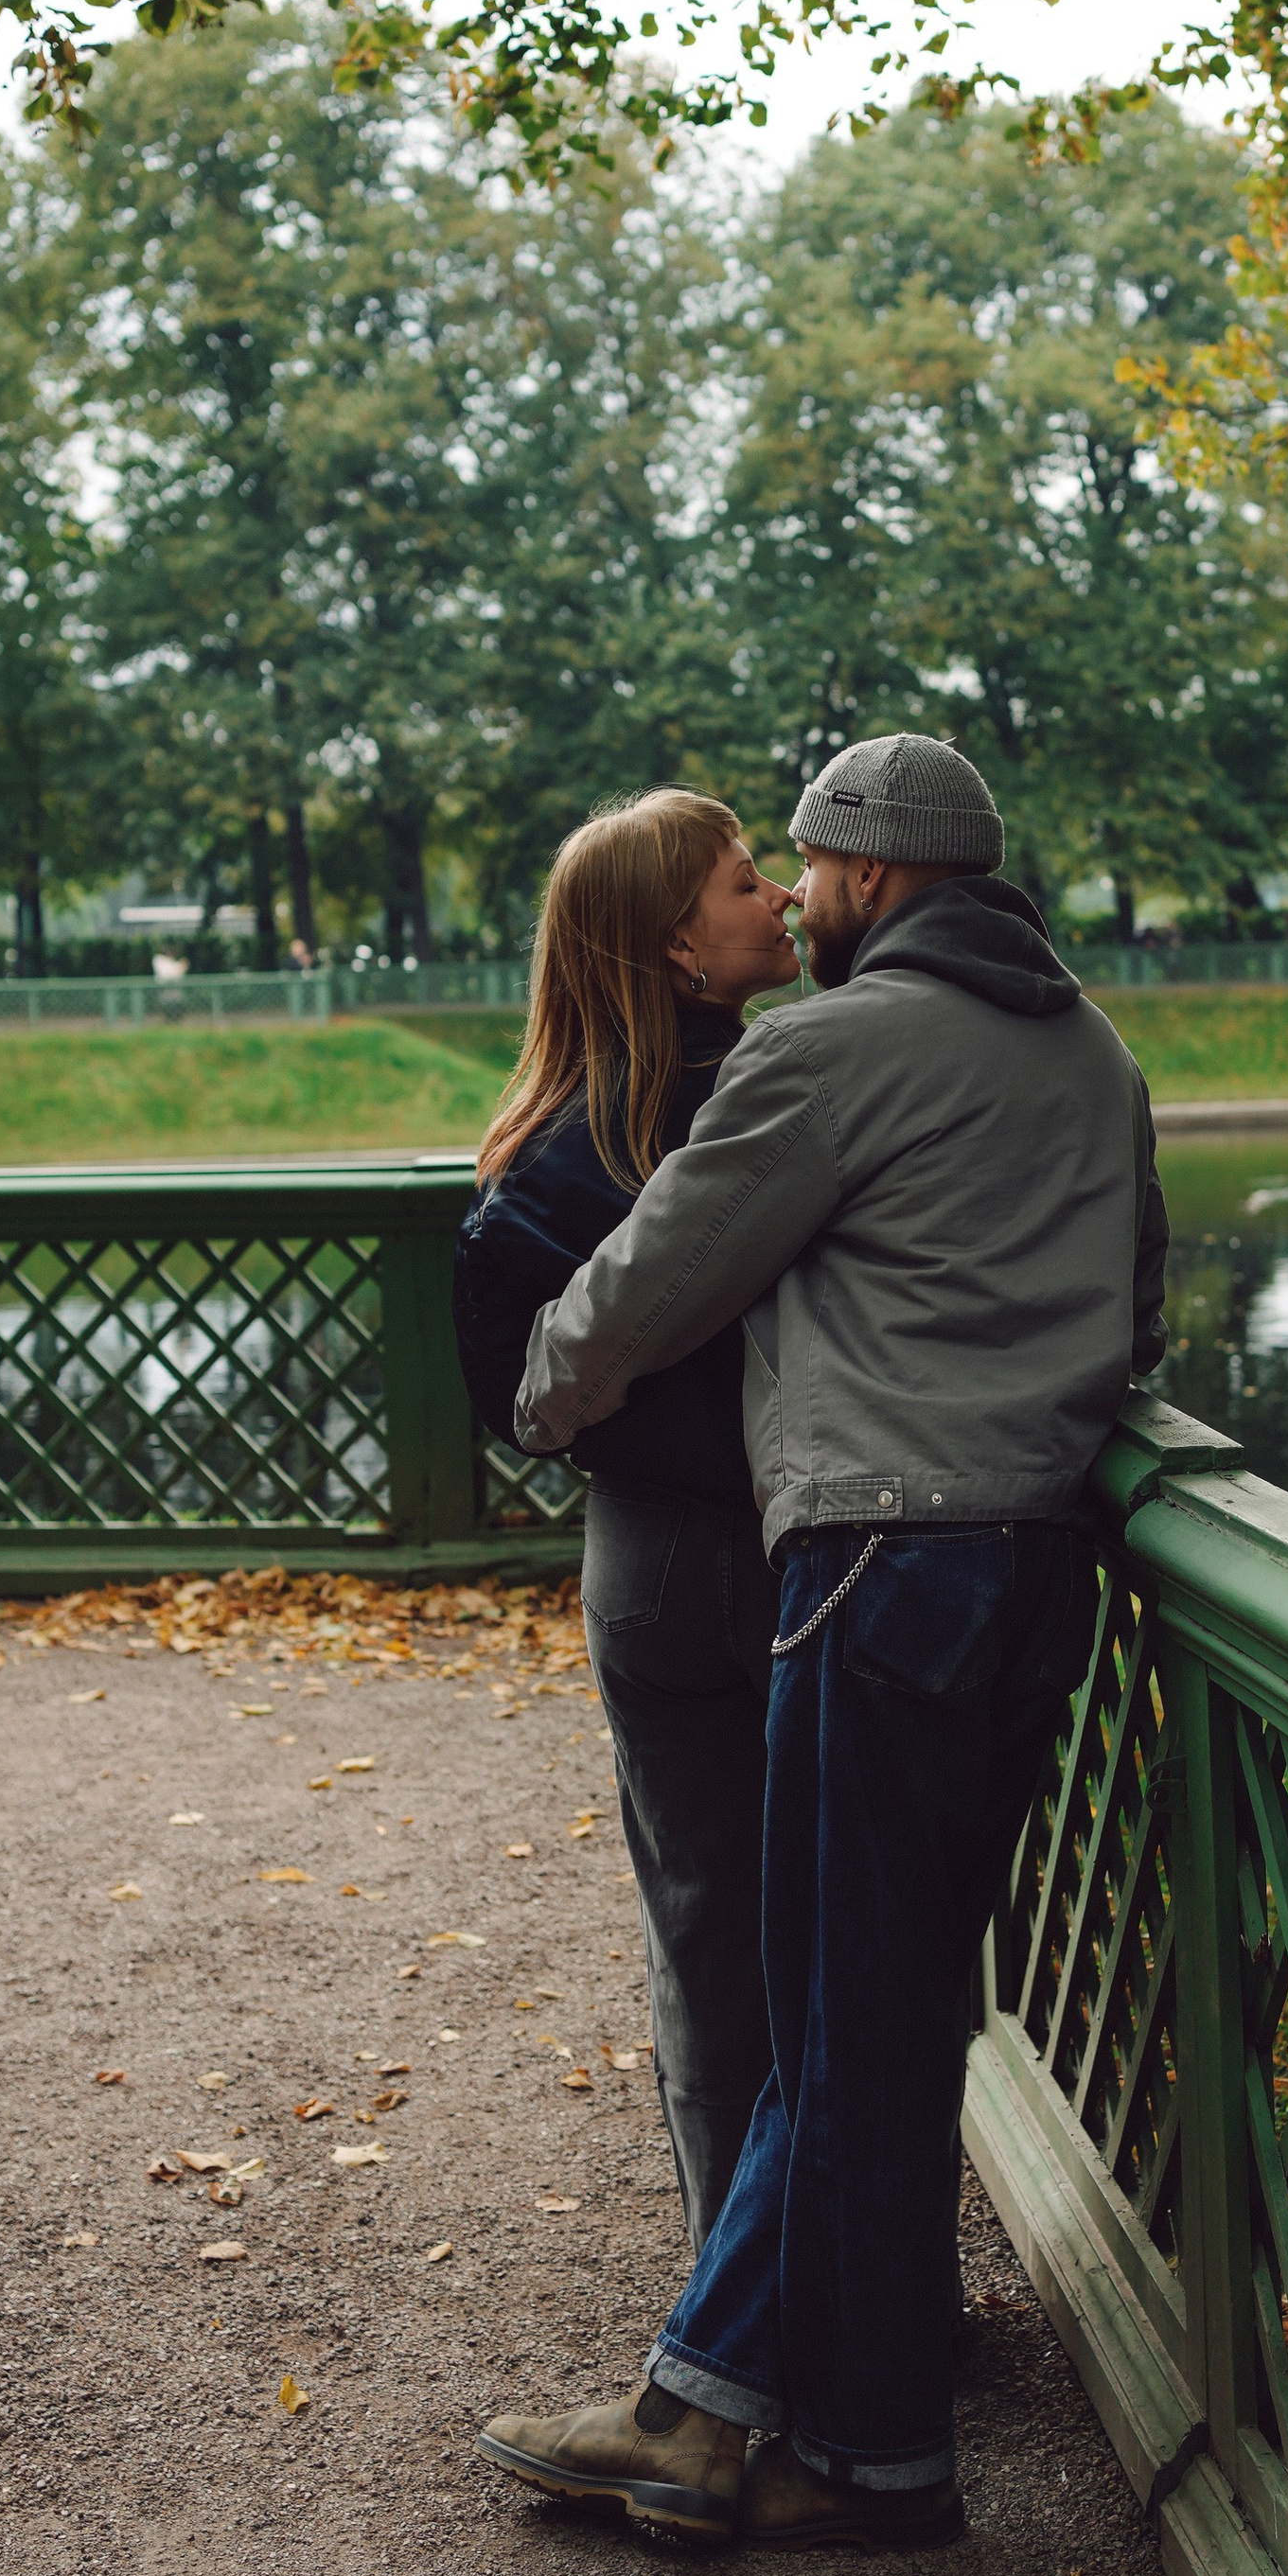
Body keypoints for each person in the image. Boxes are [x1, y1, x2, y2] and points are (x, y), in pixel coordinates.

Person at [476, 732, 1170, 2553]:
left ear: (868, 873)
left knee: (837, 2011)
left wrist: (549, 1396)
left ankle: (708, 2415)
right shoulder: (1097, 1052)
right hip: (1046, 1574)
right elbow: (1142, 1299)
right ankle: (868, 2447)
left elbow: (658, 1273)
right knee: (900, 1991)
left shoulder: (824, 1047)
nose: (793, 893)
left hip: (878, 1570)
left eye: (807, 866)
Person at [450, 791, 800, 2250]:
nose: (777, 893)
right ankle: (865, 2280)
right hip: (811, 1550)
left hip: (647, 1553)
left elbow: (505, 1387)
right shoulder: (791, 1102)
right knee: (851, 1928)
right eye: (742, 882)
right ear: (674, 941)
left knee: (706, 1931)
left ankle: (736, 2277)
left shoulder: (545, 1149)